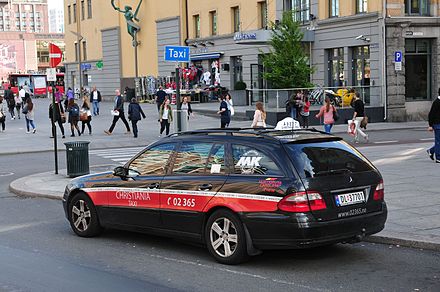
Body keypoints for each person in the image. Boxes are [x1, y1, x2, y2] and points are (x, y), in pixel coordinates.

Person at [427, 88, 440, 163]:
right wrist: (430, 125)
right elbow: (431, 114)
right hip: (437, 124)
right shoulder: (436, 102)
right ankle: (438, 158)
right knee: (438, 141)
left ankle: (431, 151)